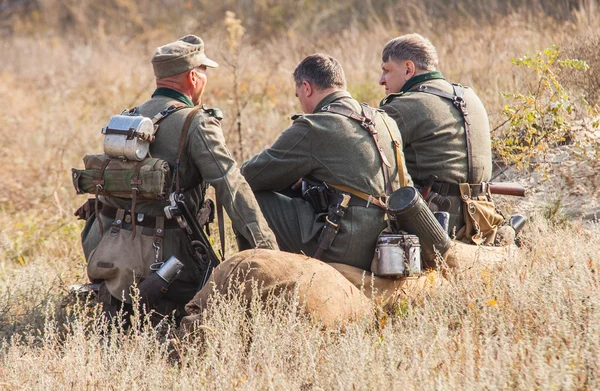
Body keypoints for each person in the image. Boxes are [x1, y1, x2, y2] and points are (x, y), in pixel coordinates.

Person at [78, 35, 277, 320]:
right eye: (204, 72)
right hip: (169, 262)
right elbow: (231, 186)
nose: (206, 79)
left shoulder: (127, 120)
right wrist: (268, 252)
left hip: (111, 255)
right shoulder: (196, 122)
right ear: (193, 77)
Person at [240, 54, 412, 271]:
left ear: (306, 87)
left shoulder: (316, 125)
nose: (300, 102)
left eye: (298, 95)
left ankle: (254, 278)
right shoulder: (384, 120)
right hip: (392, 242)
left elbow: (249, 177)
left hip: (347, 247)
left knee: (246, 196)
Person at [378, 33, 495, 237]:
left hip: (436, 224)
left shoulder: (405, 106)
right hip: (484, 218)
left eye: (387, 71)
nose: (381, 80)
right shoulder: (469, 96)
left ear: (408, 69)